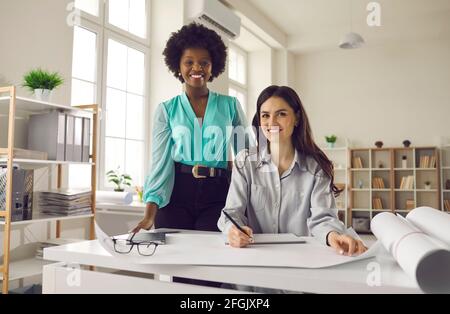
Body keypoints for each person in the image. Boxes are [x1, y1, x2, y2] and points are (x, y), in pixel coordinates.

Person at [218, 85, 367, 257]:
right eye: (265, 115)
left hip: (302, 259)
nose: (272, 122)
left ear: (296, 118)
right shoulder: (245, 162)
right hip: (256, 257)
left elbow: (323, 219)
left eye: (281, 114)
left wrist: (333, 235)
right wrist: (233, 231)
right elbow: (231, 213)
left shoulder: (316, 167)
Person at [131, 22, 250, 236]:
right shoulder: (166, 110)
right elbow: (160, 164)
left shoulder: (230, 106)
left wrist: (249, 203)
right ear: (178, 65)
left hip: (219, 195)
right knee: (178, 264)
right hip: (176, 194)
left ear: (214, 66)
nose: (197, 68)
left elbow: (246, 158)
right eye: (189, 62)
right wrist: (149, 215)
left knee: (212, 264)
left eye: (204, 62)